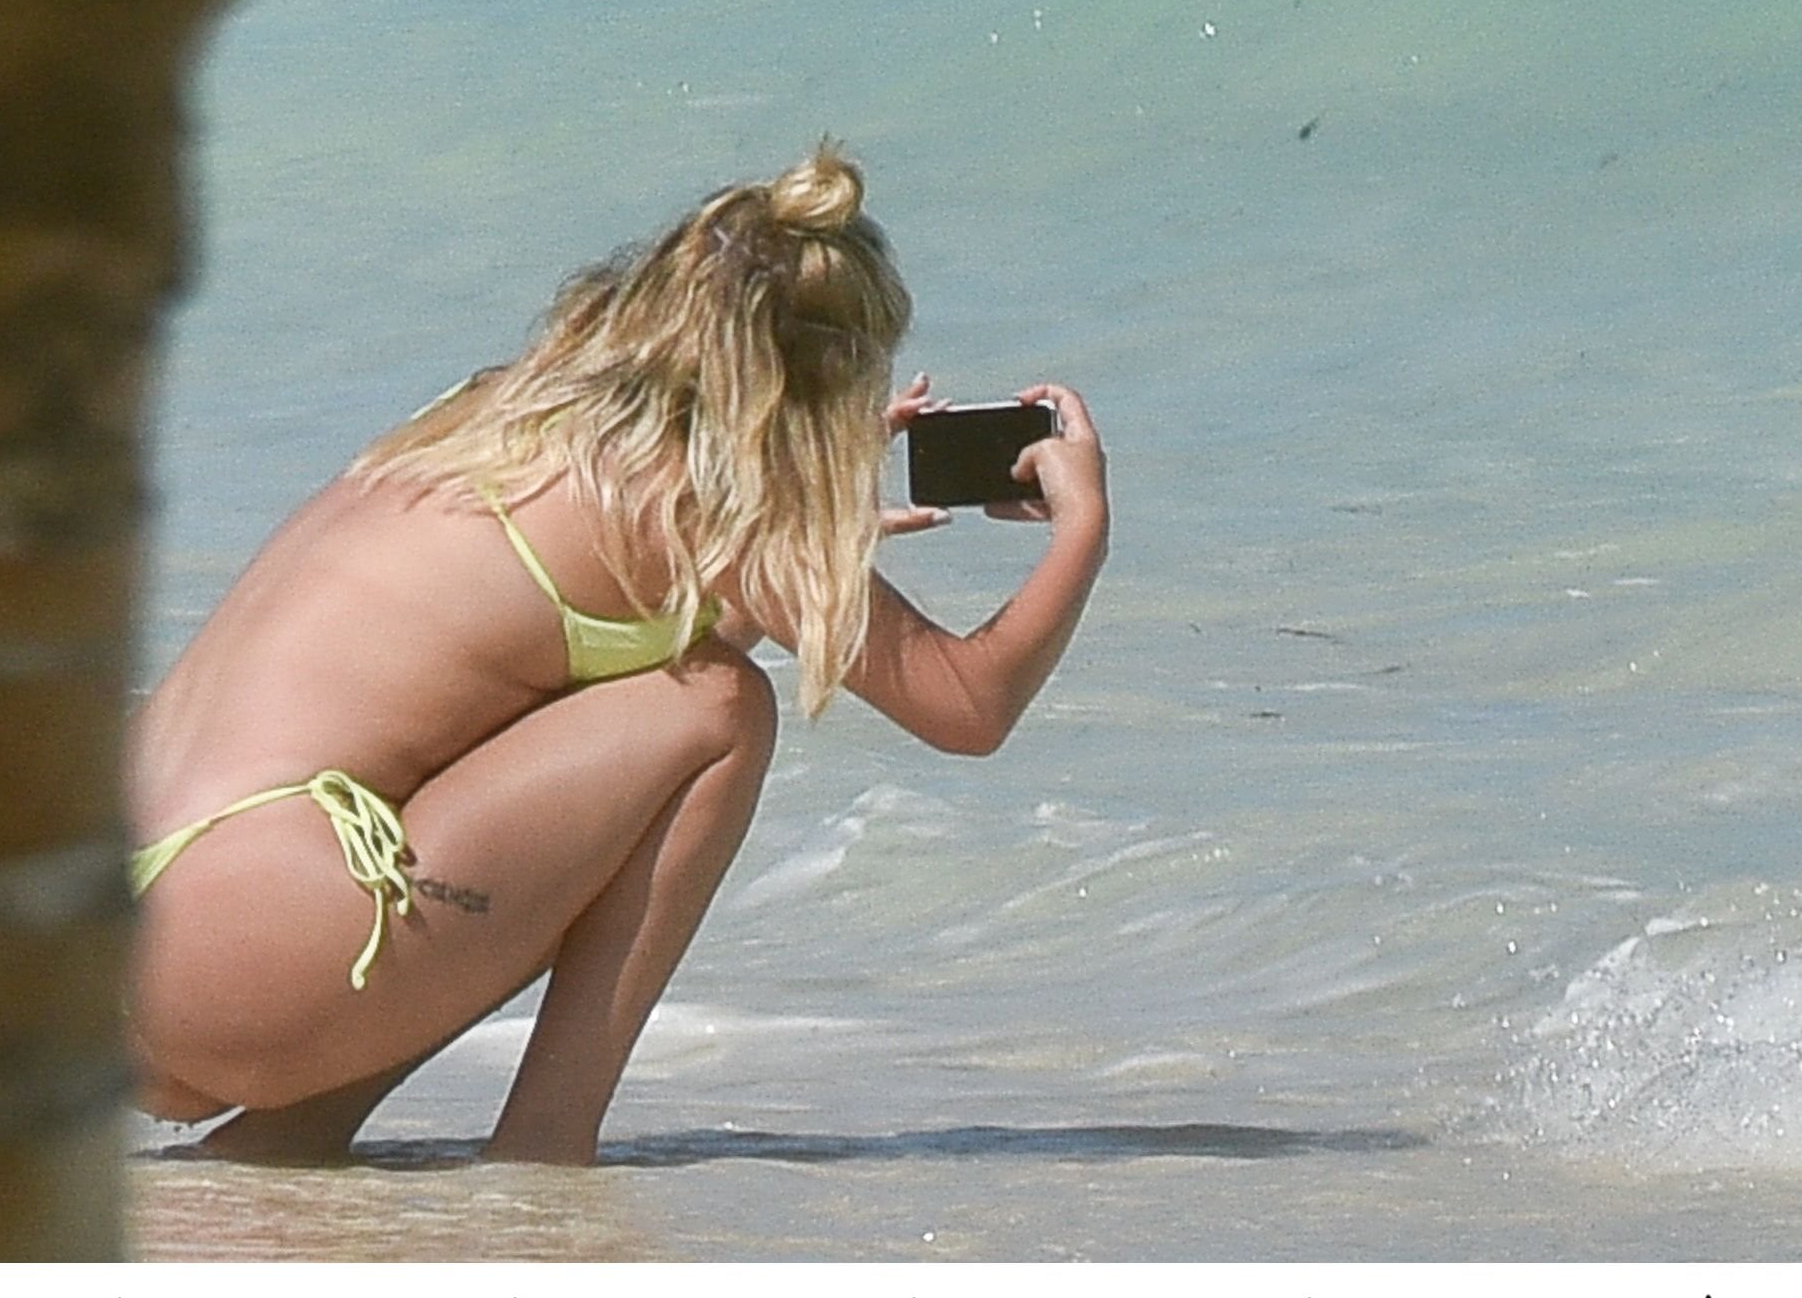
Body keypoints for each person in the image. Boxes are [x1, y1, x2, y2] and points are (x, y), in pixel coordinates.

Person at [124, 145, 1110, 1162]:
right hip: (250, 968)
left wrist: (801, 536)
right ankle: (546, 1140)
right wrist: (1083, 522)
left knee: (618, 751)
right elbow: (969, 706)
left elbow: (608, 720)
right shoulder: (706, 501)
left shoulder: (497, 411)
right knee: (721, 711)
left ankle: (286, 1136)